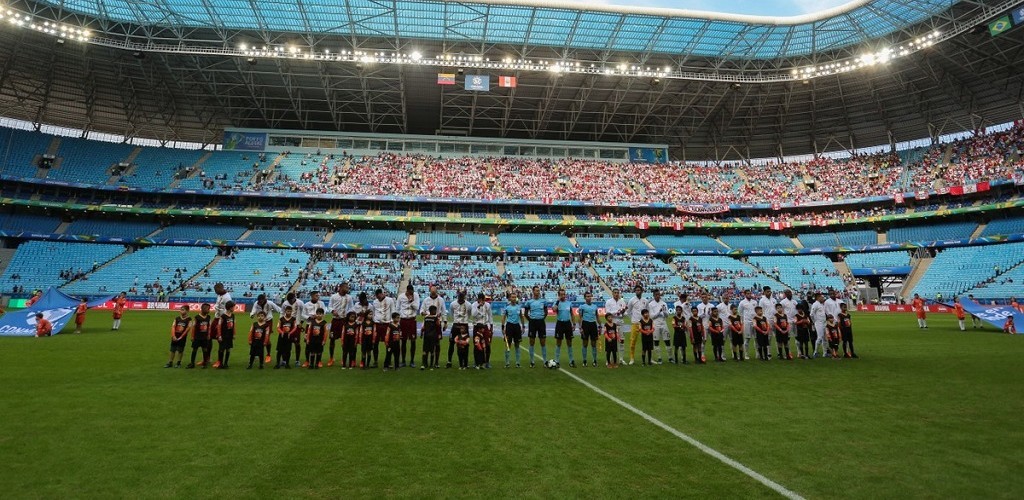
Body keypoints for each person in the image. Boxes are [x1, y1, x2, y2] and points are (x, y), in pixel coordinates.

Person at [420, 285, 447, 369]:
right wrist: (429, 315)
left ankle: (436, 362)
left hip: (437, 324)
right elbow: (421, 311)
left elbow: (444, 312)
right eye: (432, 291)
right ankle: (425, 363)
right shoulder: (426, 300)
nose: (433, 292)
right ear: (430, 291)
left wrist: (445, 322)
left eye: (434, 291)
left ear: (436, 291)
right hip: (428, 323)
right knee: (427, 344)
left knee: (437, 344)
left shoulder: (441, 300)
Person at [250, 294, 281, 365]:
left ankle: (268, 355)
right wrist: (252, 314)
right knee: (257, 337)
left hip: (268, 321)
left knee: (267, 338)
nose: (260, 302)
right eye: (259, 301)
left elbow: (277, 309)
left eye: (261, 300)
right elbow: (253, 310)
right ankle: (256, 354)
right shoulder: (256, 303)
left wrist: (282, 314)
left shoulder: (270, 303)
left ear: (264, 299)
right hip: (260, 321)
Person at [370, 288, 395, 369]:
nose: (378, 298)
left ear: (382, 294)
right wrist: (374, 320)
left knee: (388, 343)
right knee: (375, 343)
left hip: (387, 324)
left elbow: (393, 311)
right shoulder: (375, 302)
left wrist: (392, 322)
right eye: (377, 297)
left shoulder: (390, 300)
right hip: (377, 325)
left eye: (379, 296)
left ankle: (389, 361)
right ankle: (375, 361)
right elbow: (373, 312)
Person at [397, 284, 420, 368]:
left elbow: (417, 307)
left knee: (413, 341)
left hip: (412, 320)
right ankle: (403, 360)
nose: (411, 294)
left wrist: (411, 301)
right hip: (403, 320)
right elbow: (397, 308)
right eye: (410, 292)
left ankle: (412, 360)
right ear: (407, 291)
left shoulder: (416, 296)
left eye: (412, 292)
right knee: (403, 341)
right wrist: (398, 319)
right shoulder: (401, 297)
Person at [302, 291, 328, 368]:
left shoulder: (321, 303)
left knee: (319, 344)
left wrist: (318, 316)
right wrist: (309, 317)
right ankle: (307, 361)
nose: (318, 297)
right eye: (316, 295)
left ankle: (318, 361)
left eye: (318, 295)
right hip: (310, 325)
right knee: (308, 344)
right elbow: (303, 314)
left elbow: (325, 311)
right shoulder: (306, 305)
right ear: (312, 296)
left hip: (320, 325)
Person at [524, 286, 548, 368]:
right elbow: (525, 314)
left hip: (541, 322)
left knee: (543, 342)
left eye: (539, 291)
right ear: (533, 292)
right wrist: (530, 320)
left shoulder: (543, 301)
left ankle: (545, 361)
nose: (538, 292)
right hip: (532, 323)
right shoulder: (529, 302)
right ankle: (532, 361)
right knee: (532, 341)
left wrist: (541, 318)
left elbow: (546, 312)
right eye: (536, 291)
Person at [328, 284, 352, 361]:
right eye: (346, 287)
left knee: (344, 340)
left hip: (344, 321)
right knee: (332, 339)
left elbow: (351, 308)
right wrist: (332, 311)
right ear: (341, 288)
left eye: (348, 287)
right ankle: (331, 358)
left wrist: (348, 315)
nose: (348, 289)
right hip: (335, 320)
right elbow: (329, 306)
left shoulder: (349, 297)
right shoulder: (334, 296)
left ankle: (343, 358)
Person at [553, 289, 576, 368]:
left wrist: (574, 323)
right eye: (561, 294)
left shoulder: (569, 303)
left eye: (564, 294)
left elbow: (572, 314)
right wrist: (557, 301)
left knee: (569, 342)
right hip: (560, 323)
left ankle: (571, 360)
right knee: (558, 342)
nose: (563, 296)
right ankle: (556, 360)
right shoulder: (557, 303)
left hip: (567, 323)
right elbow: (554, 310)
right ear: (559, 295)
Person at [501, 292, 525, 368]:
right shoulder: (507, 308)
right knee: (508, 345)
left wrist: (523, 326)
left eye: (515, 297)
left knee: (517, 345)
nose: (514, 299)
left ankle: (517, 362)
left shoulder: (519, 307)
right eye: (512, 297)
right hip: (509, 326)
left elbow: (521, 317)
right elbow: (504, 317)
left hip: (517, 327)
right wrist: (502, 327)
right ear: (510, 298)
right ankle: (507, 362)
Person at [470, 292, 494, 368]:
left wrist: (491, 326)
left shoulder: (487, 305)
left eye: (483, 300)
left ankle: (487, 362)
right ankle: (476, 362)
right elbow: (473, 315)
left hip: (485, 326)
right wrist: (478, 307)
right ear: (478, 299)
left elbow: (490, 315)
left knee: (487, 344)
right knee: (476, 344)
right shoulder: (474, 305)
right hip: (477, 326)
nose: (482, 301)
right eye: (481, 300)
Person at [448, 291, 471, 368]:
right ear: (457, 297)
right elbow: (451, 314)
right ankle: (449, 361)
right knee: (451, 343)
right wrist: (455, 321)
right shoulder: (453, 304)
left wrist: (464, 321)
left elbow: (469, 314)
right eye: (459, 299)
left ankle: (465, 362)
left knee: (465, 344)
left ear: (464, 298)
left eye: (462, 299)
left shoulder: (468, 305)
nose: (460, 301)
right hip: (455, 325)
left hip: (464, 324)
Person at [280, 292, 304, 366]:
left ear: (294, 298)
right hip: (287, 325)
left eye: (291, 300)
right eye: (289, 301)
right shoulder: (285, 304)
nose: (290, 302)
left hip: (296, 325)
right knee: (286, 344)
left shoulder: (300, 303)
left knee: (297, 343)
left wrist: (301, 322)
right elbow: (281, 313)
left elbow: (303, 312)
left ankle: (297, 360)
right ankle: (284, 360)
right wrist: (282, 322)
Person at [626, 285, 647, 365]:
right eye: (636, 290)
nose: (638, 291)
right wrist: (633, 318)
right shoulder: (632, 300)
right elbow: (628, 311)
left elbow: (647, 311)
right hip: (635, 323)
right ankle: (632, 358)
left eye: (639, 290)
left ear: (642, 291)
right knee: (633, 341)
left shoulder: (645, 300)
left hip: (644, 323)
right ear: (635, 291)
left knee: (646, 341)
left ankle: (648, 358)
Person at [647, 289, 670, 364]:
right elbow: (652, 316)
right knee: (656, 341)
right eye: (656, 295)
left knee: (667, 340)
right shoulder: (651, 304)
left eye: (658, 294)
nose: (657, 296)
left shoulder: (664, 303)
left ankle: (670, 357)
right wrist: (659, 311)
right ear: (653, 296)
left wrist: (664, 312)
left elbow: (667, 315)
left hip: (663, 323)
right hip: (655, 324)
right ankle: (659, 358)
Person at [186, 304, 212, 368]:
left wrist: (209, 334)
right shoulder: (197, 317)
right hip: (197, 337)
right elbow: (193, 327)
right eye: (208, 309)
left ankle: (205, 363)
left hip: (205, 337)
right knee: (194, 350)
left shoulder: (208, 317)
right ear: (203, 309)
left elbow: (209, 327)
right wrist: (192, 336)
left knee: (205, 350)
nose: (209, 310)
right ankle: (192, 363)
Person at [578, 291, 600, 367]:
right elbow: (580, 317)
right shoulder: (582, 306)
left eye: (590, 296)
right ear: (584, 298)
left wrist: (600, 325)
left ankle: (594, 360)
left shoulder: (595, 306)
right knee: (585, 343)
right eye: (587, 296)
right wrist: (580, 327)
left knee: (594, 343)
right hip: (585, 324)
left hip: (593, 324)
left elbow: (597, 316)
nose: (589, 298)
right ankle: (584, 360)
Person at [605, 289, 628, 354]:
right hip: (612, 324)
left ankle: (621, 359)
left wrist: (623, 312)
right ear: (612, 293)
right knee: (611, 341)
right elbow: (607, 313)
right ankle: (610, 360)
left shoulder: (622, 301)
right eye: (615, 293)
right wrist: (617, 312)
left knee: (621, 340)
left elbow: (626, 314)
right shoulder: (608, 302)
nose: (616, 294)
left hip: (620, 323)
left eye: (618, 293)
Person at [214, 300, 236, 369]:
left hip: (229, 335)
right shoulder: (223, 316)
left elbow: (234, 325)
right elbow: (219, 326)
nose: (234, 308)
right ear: (230, 308)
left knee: (228, 349)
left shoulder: (233, 315)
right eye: (233, 307)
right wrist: (219, 335)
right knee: (221, 349)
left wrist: (234, 334)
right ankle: (220, 364)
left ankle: (226, 363)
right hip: (223, 335)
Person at [738, 289, 758, 360]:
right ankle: (746, 354)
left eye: (750, 293)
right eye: (748, 293)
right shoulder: (742, 303)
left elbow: (757, 312)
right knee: (747, 339)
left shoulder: (755, 302)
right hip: (746, 322)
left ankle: (757, 353)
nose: (749, 295)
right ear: (745, 294)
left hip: (754, 322)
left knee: (756, 338)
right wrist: (741, 323)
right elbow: (740, 313)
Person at [421, 306, 442, 370]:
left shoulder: (426, 317)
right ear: (433, 311)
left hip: (427, 336)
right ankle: (430, 365)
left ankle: (425, 364)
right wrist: (439, 334)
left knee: (425, 350)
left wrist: (422, 333)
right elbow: (438, 327)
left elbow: (423, 327)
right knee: (431, 350)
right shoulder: (436, 318)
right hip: (433, 336)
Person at [757, 287, 777, 358]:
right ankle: (768, 352)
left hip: (775, 320)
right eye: (768, 291)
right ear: (764, 292)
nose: (769, 293)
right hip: (767, 321)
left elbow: (776, 310)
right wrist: (764, 321)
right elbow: (761, 311)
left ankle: (779, 352)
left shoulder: (774, 300)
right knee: (769, 337)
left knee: (777, 336)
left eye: (770, 291)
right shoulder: (762, 301)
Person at [810, 293, 828, 358]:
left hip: (824, 322)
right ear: (818, 297)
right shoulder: (815, 304)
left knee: (825, 338)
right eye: (821, 297)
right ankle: (815, 352)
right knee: (820, 337)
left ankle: (825, 353)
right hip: (819, 323)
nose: (823, 298)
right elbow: (811, 314)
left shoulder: (821, 304)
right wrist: (814, 321)